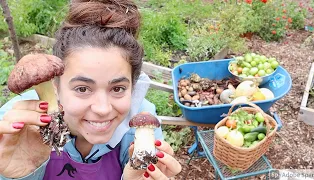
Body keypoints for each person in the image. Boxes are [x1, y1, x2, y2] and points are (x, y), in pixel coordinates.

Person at [0, 0, 182, 179]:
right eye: (82, 89)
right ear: (56, 85)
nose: (102, 109)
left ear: (133, 88)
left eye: (118, 88)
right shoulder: (14, 128)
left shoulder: (142, 124)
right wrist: (17, 176)